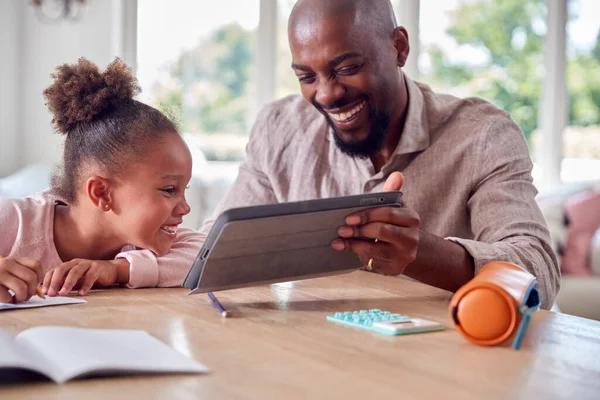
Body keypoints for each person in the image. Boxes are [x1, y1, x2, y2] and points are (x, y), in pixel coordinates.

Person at [198, 0, 560, 309]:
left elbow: (539, 275)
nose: (325, 95)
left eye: (347, 68)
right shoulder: (279, 129)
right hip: (317, 356)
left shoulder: (482, 135)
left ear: (399, 47)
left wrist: (422, 253)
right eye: (307, 77)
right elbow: (213, 250)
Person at [0, 57, 202, 303]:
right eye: (169, 190)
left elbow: (211, 255)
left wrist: (116, 270)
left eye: (184, 189)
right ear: (101, 193)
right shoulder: (12, 220)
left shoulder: (143, 241)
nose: (185, 208)